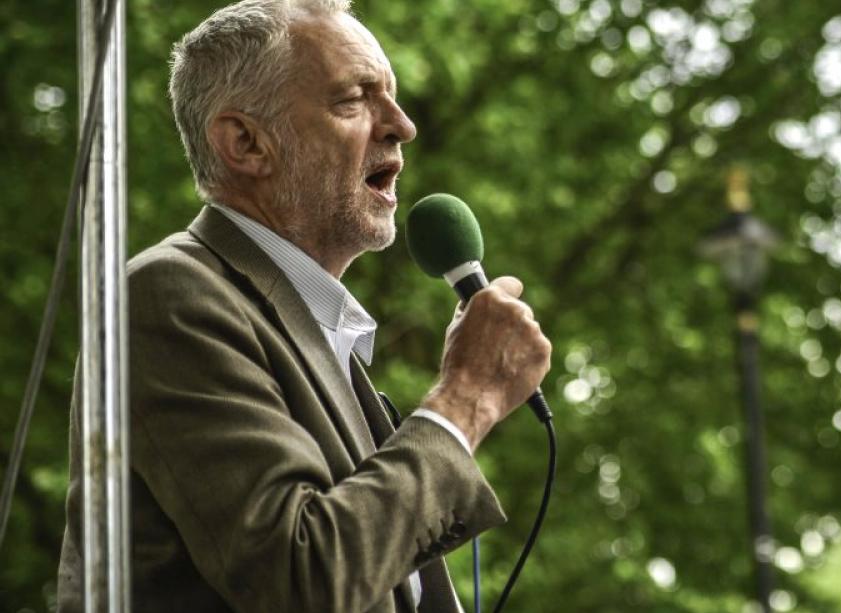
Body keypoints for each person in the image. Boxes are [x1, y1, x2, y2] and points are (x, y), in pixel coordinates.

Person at [55, 1, 552, 612]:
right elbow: (301, 578)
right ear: (246, 143)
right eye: (353, 100)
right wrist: (466, 398)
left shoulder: (310, 325)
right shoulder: (171, 296)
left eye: (391, 97)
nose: (401, 124)